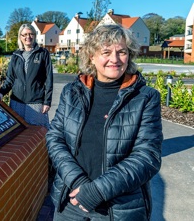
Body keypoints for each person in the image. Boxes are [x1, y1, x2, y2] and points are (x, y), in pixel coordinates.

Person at [46, 24, 163, 220]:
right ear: (92, 56)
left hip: (118, 208)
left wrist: (96, 191)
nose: (115, 59)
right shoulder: (72, 92)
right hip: (71, 201)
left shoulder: (146, 97)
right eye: (106, 52)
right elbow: (55, 138)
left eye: (122, 52)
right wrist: (76, 180)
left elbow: (147, 156)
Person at [0, 23, 53, 128]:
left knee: (37, 133)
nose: (28, 37)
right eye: (24, 35)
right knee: (18, 133)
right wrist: (1, 93)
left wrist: (47, 101)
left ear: (34, 35)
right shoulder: (16, 55)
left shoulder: (43, 53)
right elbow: (10, 79)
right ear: (20, 37)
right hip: (17, 103)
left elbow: (49, 79)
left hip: (36, 103)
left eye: (30, 34)